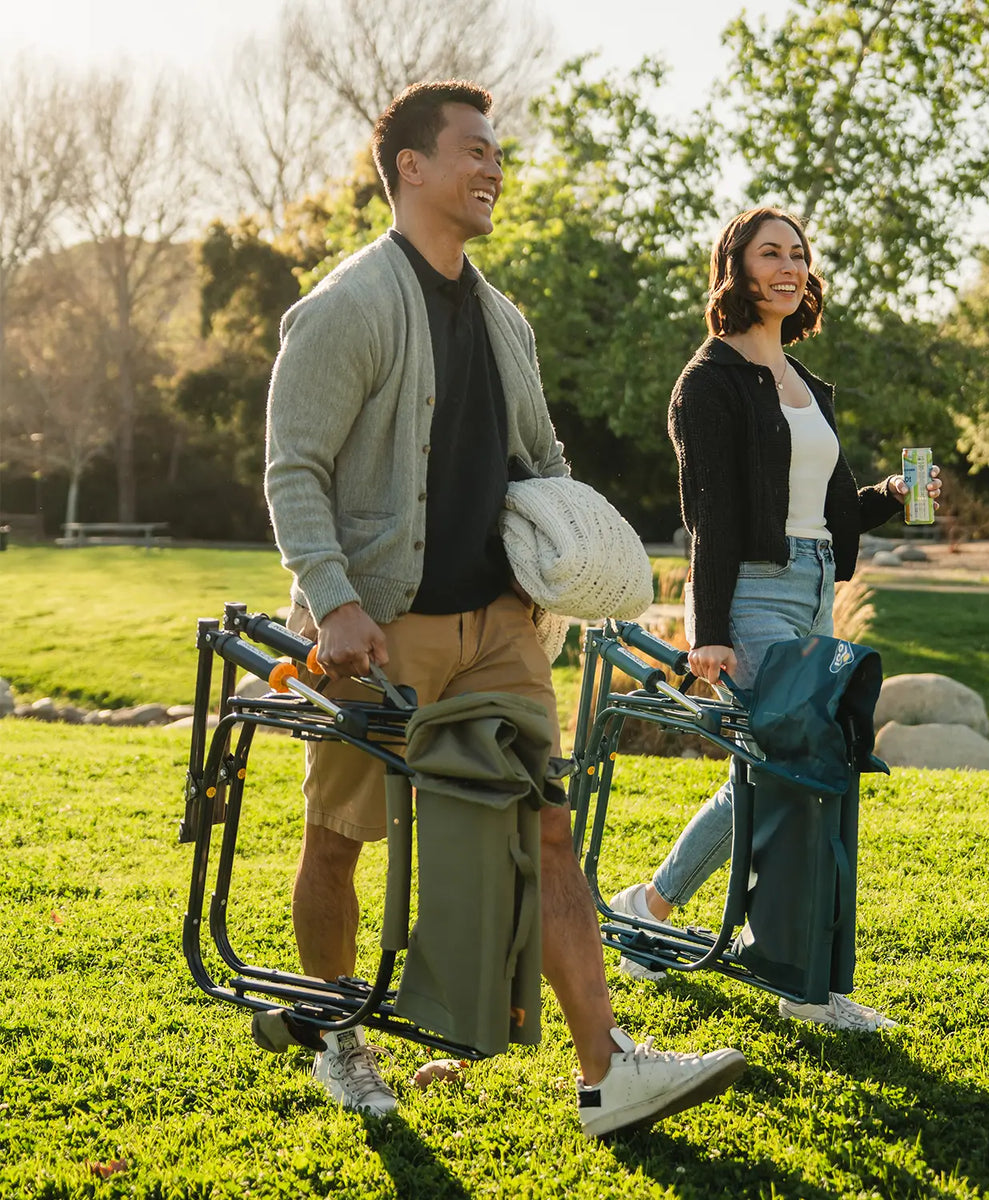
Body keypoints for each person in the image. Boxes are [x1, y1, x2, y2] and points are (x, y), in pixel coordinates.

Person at [263, 80, 744, 1135]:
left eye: (498, 156)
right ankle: (340, 1042)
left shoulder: (505, 320)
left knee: (552, 835)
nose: (493, 171)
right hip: (382, 631)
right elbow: (294, 471)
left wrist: (557, 568)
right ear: (411, 168)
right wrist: (335, 604)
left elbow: (545, 459)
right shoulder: (345, 307)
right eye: (473, 151)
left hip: (503, 628)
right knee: (340, 835)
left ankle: (606, 1069)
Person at [610, 207, 942, 1031]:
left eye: (798, 253)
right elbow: (711, 516)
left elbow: (826, 511)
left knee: (773, 771)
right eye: (770, 254)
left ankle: (652, 913)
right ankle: (790, 978)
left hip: (814, 584)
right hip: (751, 595)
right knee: (778, 769)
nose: (789, 266)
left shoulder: (806, 384)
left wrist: (891, 501)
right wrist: (709, 627)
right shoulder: (710, 381)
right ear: (738, 269)